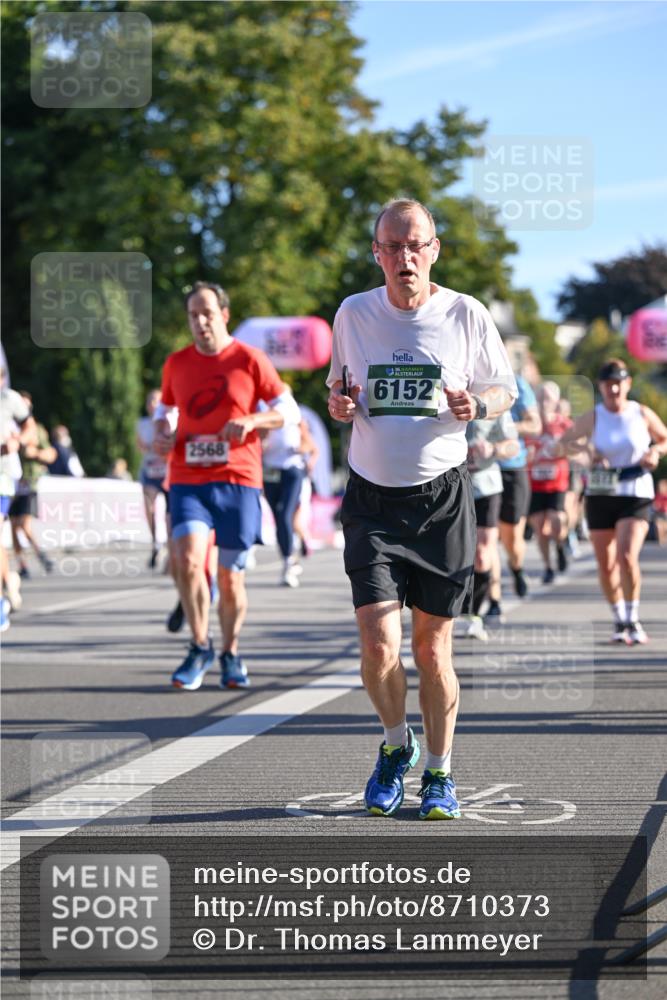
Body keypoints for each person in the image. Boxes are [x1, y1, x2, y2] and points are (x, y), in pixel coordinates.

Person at [327, 198, 517, 820]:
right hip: (371, 499)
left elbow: (504, 388)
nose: (404, 257)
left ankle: (439, 772)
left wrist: (478, 406)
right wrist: (339, 405)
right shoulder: (353, 313)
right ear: (377, 253)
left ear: (434, 250)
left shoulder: (466, 313)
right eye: (393, 246)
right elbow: (339, 388)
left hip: (441, 500)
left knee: (433, 650)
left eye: (416, 245)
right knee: (377, 641)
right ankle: (394, 745)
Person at [153, 281, 300, 690]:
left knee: (230, 577)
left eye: (207, 313)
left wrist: (252, 420)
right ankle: (199, 645)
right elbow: (165, 411)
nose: (200, 322)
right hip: (188, 478)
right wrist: (163, 432)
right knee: (187, 560)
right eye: (193, 315)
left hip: (238, 478)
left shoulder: (250, 360)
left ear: (224, 315)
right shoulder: (176, 363)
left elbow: (287, 411)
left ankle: (230, 652)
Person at [555, 359, 667, 644]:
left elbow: (664, 439)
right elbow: (563, 444)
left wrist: (655, 452)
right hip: (601, 493)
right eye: (608, 384)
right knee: (606, 565)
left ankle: (633, 617)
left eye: (618, 383)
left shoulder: (641, 413)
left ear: (628, 384)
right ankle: (619, 618)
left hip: (635, 491)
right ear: (601, 387)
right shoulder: (594, 416)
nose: (613, 389)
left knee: (626, 556)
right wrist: (587, 451)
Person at [457, 412, 519, 640]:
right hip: (450, 488)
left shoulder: (496, 404)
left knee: (482, 555)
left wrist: (494, 448)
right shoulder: (442, 396)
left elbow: (513, 446)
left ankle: (473, 615)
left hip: (486, 486)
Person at [485, 371, 541, 622]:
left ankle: (517, 568)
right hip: (482, 470)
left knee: (512, 538)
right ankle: (494, 599)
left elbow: (535, 425)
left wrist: (504, 427)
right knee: (487, 537)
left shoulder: (516, 383)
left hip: (512, 467)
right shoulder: (466, 378)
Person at [261, 404, 319, 586]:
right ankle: (288, 556)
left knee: (285, 513)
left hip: (292, 471)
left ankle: (288, 562)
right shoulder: (265, 420)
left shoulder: (296, 420)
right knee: (278, 518)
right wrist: (264, 440)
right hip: (270, 473)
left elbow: (310, 446)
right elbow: (258, 445)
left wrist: (301, 449)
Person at [526, 381, 572, 584]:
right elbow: (520, 447)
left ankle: (561, 545)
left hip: (557, 483)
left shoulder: (564, 424)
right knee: (539, 528)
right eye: (540, 398)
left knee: (557, 521)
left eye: (548, 399)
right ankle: (548, 566)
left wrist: (563, 450)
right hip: (535, 484)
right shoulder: (531, 425)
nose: (544, 402)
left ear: (556, 401)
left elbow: (578, 445)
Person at [9, 391, 57, 578]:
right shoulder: (6, 425)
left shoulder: (36, 429)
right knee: (13, 526)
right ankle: (22, 564)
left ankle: (41, 554)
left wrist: (35, 453)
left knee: (24, 524)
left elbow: (51, 454)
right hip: (11, 481)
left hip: (29, 482)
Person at [0, 368, 35, 624]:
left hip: (3, 476)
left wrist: (18, 441)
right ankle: (8, 579)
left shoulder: (10, 399)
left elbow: (29, 427)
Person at [136, 389, 169, 568]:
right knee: (149, 507)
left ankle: (171, 546)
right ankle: (156, 543)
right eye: (150, 401)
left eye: (156, 401)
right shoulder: (141, 424)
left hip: (167, 471)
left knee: (170, 512)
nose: (153, 404)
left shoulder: (171, 421)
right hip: (150, 470)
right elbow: (141, 446)